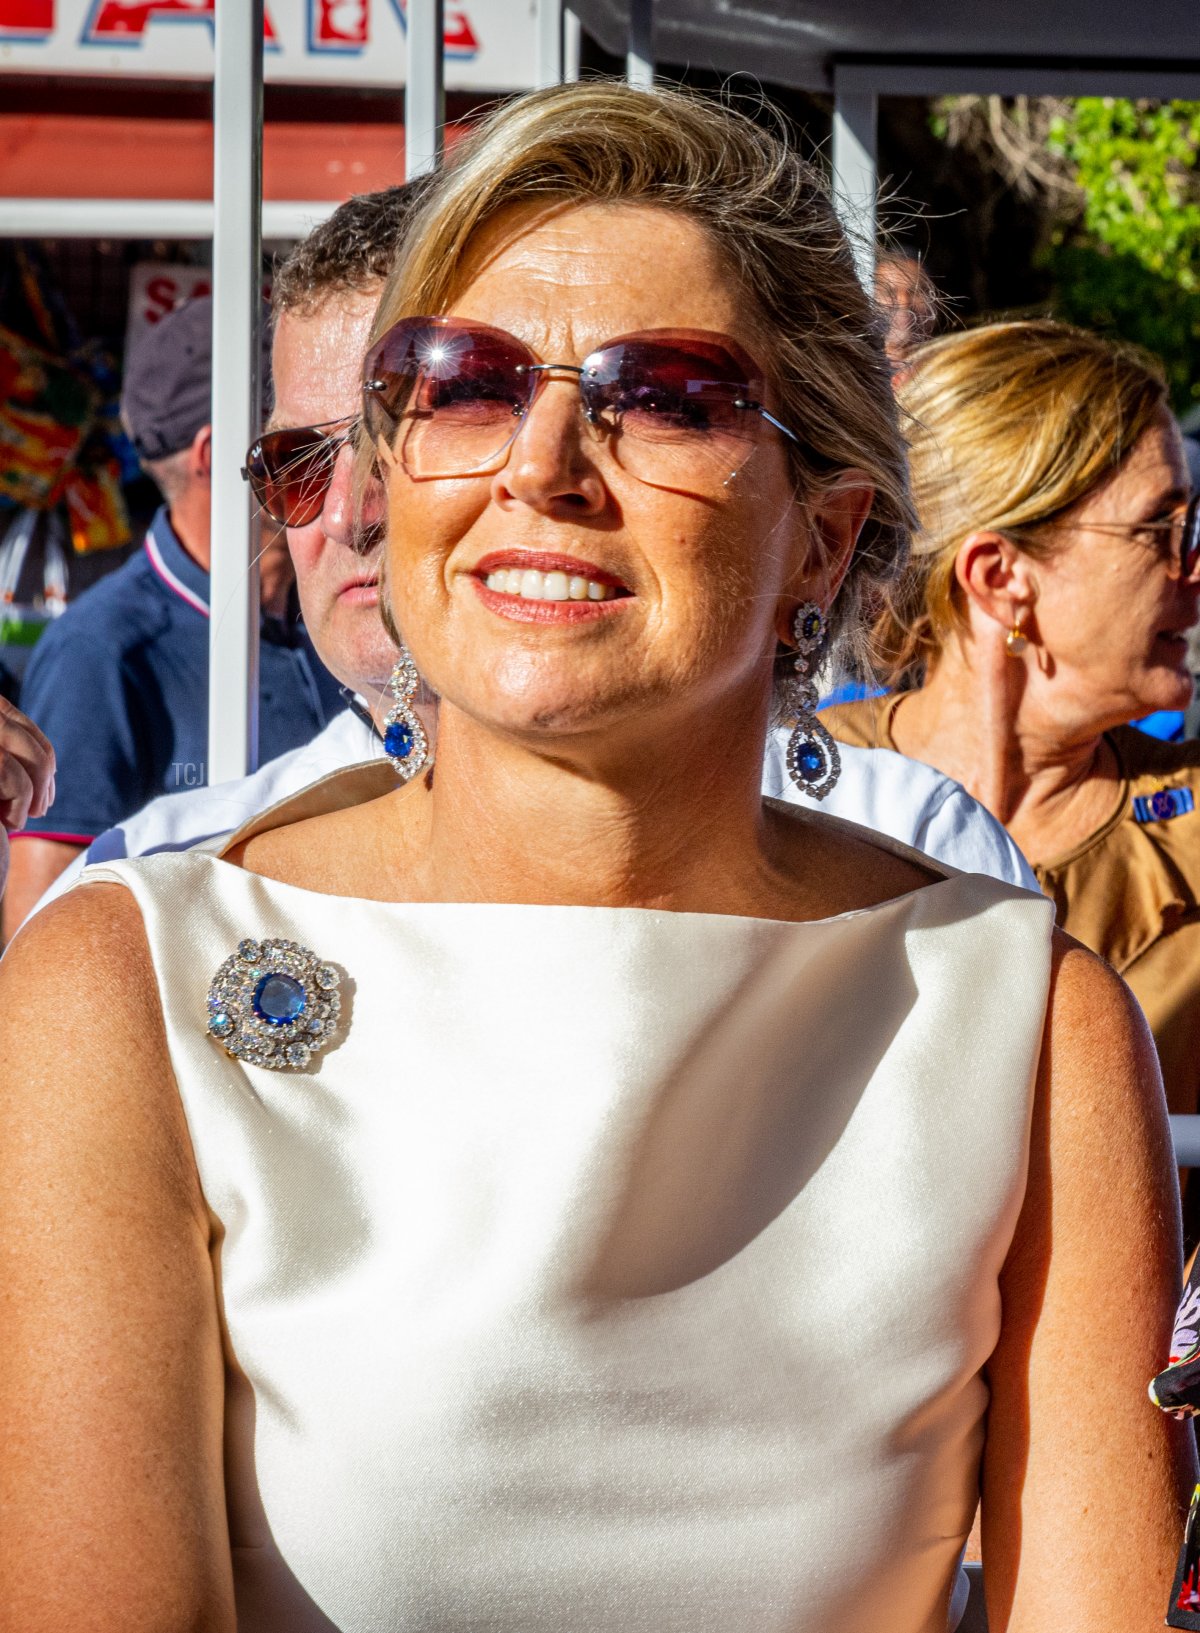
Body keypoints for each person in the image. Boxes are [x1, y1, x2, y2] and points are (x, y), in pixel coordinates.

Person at [2, 85, 1190, 1632]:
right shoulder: (126, 984)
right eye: (463, 387)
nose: (543, 464)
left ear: (826, 535)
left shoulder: (1027, 1028)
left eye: (669, 398)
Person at [27, 188, 1034, 912]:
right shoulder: (160, 894)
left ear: (823, 536)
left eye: (448, 410)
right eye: (297, 464)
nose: (352, 511)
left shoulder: (928, 873)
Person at [820, 321, 1200, 1229]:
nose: (1194, 566)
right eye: (1161, 528)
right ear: (1001, 577)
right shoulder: (798, 784)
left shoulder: (1188, 830)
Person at [2, 296, 345, 938]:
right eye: (309, 442)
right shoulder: (102, 650)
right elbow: (39, 933)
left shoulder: (340, 611)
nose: (347, 462)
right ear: (217, 456)